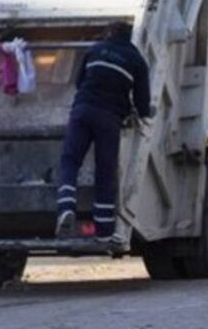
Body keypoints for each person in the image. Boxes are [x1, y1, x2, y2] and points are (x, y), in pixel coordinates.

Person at [55, 21, 151, 242]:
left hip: (82, 112)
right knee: (105, 171)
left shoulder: (94, 50)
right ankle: (104, 230)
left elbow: (79, 83)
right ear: (130, 37)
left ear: (109, 33)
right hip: (108, 120)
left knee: (70, 161)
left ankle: (66, 207)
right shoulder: (137, 61)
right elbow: (143, 105)